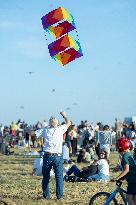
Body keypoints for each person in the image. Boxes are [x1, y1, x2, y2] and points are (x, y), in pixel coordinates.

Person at [41, 111, 71, 200]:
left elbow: (33, 133)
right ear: (56, 123)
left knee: (46, 177)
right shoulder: (60, 129)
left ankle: (47, 196)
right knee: (59, 177)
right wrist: (64, 115)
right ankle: (59, 196)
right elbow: (68, 122)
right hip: (57, 156)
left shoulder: (45, 129)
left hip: (48, 155)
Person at [113, 137, 136, 205]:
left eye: (117, 147)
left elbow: (126, 170)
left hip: (133, 180)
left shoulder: (125, 156)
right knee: (134, 199)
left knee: (129, 198)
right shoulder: (129, 155)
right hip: (134, 180)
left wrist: (116, 178)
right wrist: (122, 178)